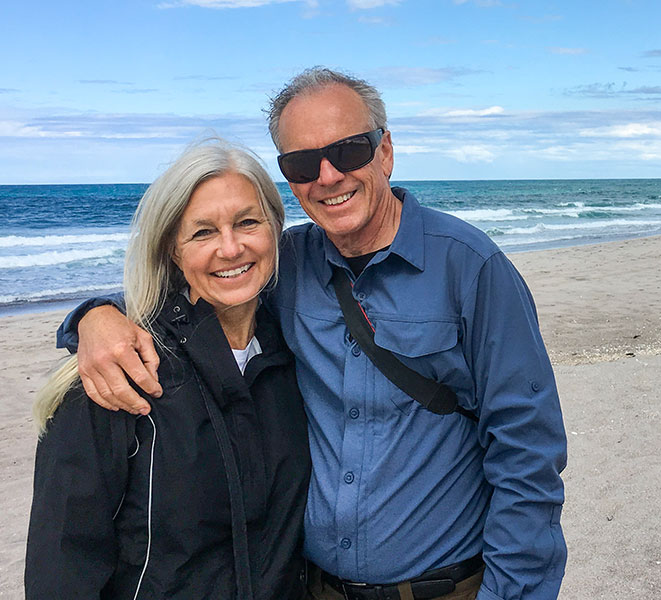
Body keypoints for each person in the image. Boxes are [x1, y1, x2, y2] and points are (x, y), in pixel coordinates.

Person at [59, 68, 568, 599]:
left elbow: (527, 451)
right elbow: (196, 285)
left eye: (349, 151)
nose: (327, 176)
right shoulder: (285, 264)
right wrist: (95, 316)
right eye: (303, 163)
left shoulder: (470, 266)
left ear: (385, 151)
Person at [27, 139, 310, 600]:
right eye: (202, 233)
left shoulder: (298, 353)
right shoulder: (118, 376)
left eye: (247, 222)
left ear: (276, 230)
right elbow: (63, 568)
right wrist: (92, 316)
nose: (231, 248)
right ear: (173, 251)